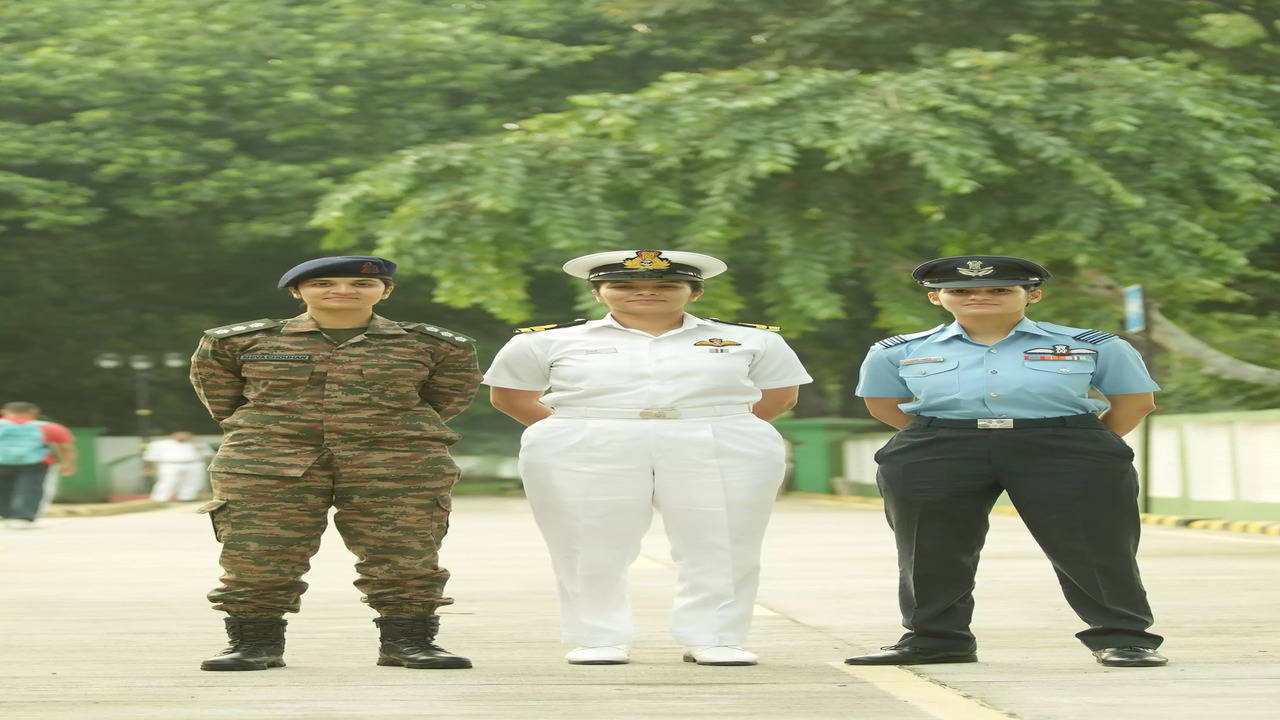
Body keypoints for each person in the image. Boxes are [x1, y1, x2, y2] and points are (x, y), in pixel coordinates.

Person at [484, 249, 813, 666]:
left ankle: (715, 636)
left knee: (724, 538)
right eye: (623, 286)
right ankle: (598, 636)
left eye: (665, 285)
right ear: (598, 293)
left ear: (694, 292)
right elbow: (509, 395)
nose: (645, 293)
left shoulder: (754, 338)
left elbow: (781, 395)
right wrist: (570, 429)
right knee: (588, 540)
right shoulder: (546, 340)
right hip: (588, 435)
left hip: (717, 434)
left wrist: (717, 425)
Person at [846, 255, 1167, 669]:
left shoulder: (1094, 345)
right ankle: (936, 638)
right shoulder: (897, 351)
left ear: (1032, 295)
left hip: (1062, 443)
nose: (979, 296)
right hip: (940, 444)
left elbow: (1135, 403)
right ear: (936, 298)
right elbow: (884, 404)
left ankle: (1125, 638)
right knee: (930, 546)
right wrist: (947, 434)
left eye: (1000, 289)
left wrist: (1083, 441)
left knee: (1093, 543)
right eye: (961, 291)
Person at [189, 255, 481, 671]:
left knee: (405, 553)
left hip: (396, 462)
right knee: (257, 554)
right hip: (269, 461)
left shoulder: (435, 346)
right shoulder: (237, 343)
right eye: (324, 283)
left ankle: (409, 642)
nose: (342, 291)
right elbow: (223, 399)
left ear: (386, 291)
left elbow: (444, 400)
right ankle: (254, 644)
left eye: (360, 285)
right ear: (296, 291)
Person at [0, 401, 77, 529]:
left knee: (2, 488)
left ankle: (5, 513)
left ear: (3, 412)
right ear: (33, 413)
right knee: (30, 488)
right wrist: (68, 464)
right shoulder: (49, 427)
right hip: (35, 462)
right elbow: (67, 447)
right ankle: (23, 517)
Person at [144, 431, 213, 501]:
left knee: (193, 482)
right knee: (168, 482)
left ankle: (187, 498)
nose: (181, 435)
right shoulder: (160, 444)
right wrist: (149, 468)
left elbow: (208, 454)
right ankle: (159, 499)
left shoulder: (197, 443)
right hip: (170, 464)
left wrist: (195, 442)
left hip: (194, 463)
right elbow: (151, 457)